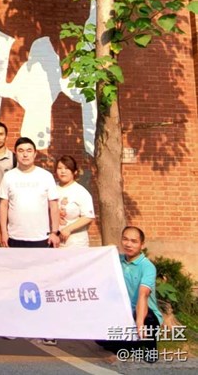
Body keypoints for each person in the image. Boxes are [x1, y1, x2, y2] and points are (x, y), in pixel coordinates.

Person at [0, 136, 59, 345]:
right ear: (16, 153)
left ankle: (45, 327)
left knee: (42, 283)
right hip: (15, 237)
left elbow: (53, 205)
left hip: (41, 238)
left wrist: (55, 231)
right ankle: (15, 324)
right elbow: (3, 205)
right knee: (16, 282)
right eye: (21, 150)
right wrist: (3, 231)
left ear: (35, 153)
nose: (25, 154)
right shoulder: (9, 177)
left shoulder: (45, 176)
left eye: (29, 150)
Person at [97, 226, 163, 363]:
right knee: (100, 341)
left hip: (143, 315)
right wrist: (108, 250)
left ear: (142, 245)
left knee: (147, 317)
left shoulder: (147, 267)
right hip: (122, 313)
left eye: (134, 241)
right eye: (125, 239)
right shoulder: (117, 261)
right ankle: (132, 344)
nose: (128, 244)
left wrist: (139, 323)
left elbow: (143, 295)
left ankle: (151, 349)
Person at [55, 155, 95, 248]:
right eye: (59, 168)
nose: (63, 171)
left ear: (75, 171)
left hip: (76, 243)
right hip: (55, 242)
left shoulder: (80, 192)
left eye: (67, 168)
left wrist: (68, 229)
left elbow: (88, 216)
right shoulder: (52, 189)